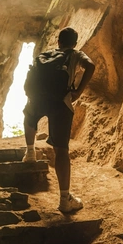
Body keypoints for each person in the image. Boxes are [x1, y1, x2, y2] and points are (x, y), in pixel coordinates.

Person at [22, 27, 95, 213]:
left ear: (59, 42)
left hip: (37, 99)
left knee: (29, 115)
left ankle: (30, 152)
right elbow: (90, 66)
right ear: (74, 43)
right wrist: (78, 91)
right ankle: (64, 200)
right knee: (61, 150)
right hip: (60, 103)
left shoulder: (46, 54)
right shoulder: (76, 54)